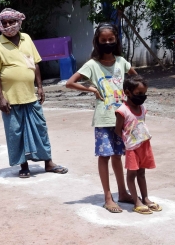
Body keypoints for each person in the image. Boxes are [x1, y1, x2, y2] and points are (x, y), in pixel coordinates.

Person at [66, 22, 138, 213]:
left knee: (118, 155)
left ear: (116, 40)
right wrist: (89, 88)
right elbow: (70, 83)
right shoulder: (92, 65)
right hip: (103, 119)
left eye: (111, 39)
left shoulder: (122, 62)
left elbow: (136, 81)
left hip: (121, 118)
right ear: (97, 42)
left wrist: (133, 97)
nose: (107, 42)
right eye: (103, 40)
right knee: (104, 156)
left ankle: (122, 192)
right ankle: (108, 196)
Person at [0, 8, 68, 178]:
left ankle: (48, 162)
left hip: (30, 96)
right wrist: (0, 98)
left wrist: (40, 86)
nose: (8, 25)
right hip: (11, 99)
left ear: (18, 22)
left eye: (11, 22)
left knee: (40, 129)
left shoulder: (27, 39)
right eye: (4, 23)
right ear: (0, 25)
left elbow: (35, 63)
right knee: (16, 133)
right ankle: (23, 166)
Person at [115, 75, 161, 214]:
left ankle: (145, 198)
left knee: (142, 173)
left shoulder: (142, 108)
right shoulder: (122, 111)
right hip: (132, 148)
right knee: (131, 175)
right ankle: (137, 201)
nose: (142, 96)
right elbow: (118, 130)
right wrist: (127, 143)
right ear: (128, 92)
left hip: (144, 146)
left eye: (144, 93)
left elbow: (141, 124)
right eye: (139, 93)